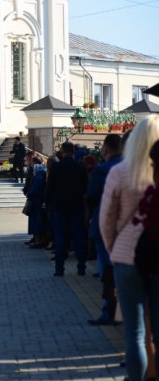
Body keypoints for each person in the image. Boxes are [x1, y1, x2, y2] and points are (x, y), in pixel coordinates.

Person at [100, 116, 159, 381]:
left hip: (127, 257)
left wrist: (114, 249)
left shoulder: (121, 172)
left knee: (135, 334)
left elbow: (106, 219)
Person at [85, 134, 123, 326]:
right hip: (126, 229)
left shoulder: (102, 169)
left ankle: (110, 311)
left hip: (104, 225)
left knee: (107, 271)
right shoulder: (133, 167)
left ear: (106, 149)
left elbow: (91, 197)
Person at [45, 141, 88, 277]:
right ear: (74, 152)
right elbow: (85, 187)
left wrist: (47, 202)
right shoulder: (80, 167)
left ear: (63, 151)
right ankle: (81, 268)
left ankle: (59, 269)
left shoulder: (56, 167)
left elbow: (49, 187)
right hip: (76, 205)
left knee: (60, 237)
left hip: (59, 206)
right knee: (78, 236)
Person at [26, 163, 47, 248]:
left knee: (36, 222)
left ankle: (38, 241)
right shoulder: (42, 176)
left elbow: (35, 190)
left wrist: (28, 194)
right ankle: (40, 240)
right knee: (39, 222)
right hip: (39, 202)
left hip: (36, 203)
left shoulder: (38, 177)